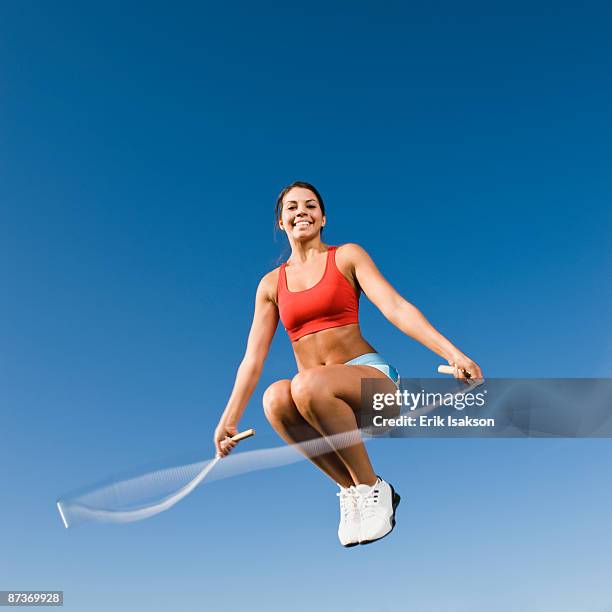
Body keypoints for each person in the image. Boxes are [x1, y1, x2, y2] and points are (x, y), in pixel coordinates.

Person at [213, 181, 483, 547]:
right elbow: (253, 358)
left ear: (323, 218)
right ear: (281, 223)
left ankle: (374, 487)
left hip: (373, 386)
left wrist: (453, 354)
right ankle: (351, 491)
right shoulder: (270, 286)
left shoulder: (346, 257)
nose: (301, 212)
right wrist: (229, 419)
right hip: (319, 402)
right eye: (291, 208)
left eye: (310, 206)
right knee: (275, 398)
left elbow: (396, 307)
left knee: (306, 384)